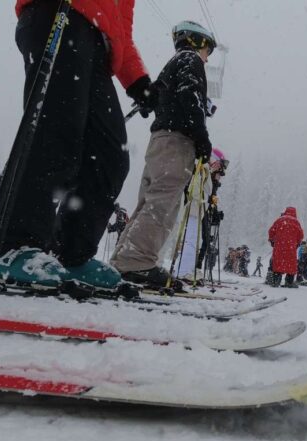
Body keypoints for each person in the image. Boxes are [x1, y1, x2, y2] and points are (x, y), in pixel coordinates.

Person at [0, 0, 155, 290]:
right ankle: (6, 245)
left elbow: (121, 32)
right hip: (58, 12)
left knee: (110, 155)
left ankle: (71, 253)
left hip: (99, 46)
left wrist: (139, 81)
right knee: (55, 134)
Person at [111, 20, 215, 288]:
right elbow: (189, 97)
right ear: (198, 42)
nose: (207, 57)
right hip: (177, 141)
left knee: (150, 201)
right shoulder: (191, 60)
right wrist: (202, 140)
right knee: (163, 204)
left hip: (161, 140)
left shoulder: (175, 62)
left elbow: (164, 96)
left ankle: (126, 258)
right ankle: (137, 262)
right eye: (208, 50)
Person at [196, 148, 228, 273]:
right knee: (202, 237)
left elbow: (213, 199)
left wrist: (215, 213)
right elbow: (207, 197)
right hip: (200, 208)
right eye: (219, 169)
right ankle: (194, 266)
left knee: (206, 238)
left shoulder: (214, 182)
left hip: (207, 210)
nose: (220, 175)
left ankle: (198, 266)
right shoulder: (205, 176)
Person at [268, 207, 304, 288]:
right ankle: (289, 282)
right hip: (291, 247)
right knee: (291, 264)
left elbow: (271, 231)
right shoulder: (296, 222)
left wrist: (272, 241)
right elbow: (300, 235)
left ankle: (276, 281)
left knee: (278, 263)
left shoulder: (280, 220)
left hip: (279, 246)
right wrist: (297, 244)